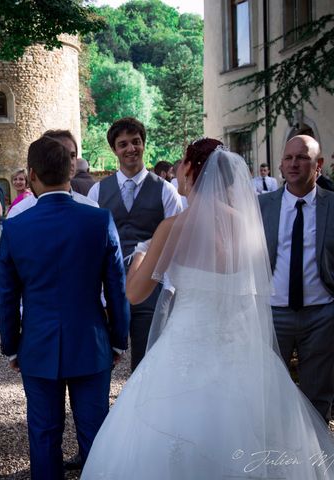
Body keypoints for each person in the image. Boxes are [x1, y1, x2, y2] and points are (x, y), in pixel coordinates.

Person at [82, 138, 334, 479]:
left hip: (184, 349)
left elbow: (136, 293)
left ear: (190, 169)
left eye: (183, 164)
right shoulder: (247, 225)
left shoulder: (174, 227)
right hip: (240, 348)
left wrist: (139, 256)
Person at [0, 135, 130, 480]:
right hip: (91, 341)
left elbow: (9, 296)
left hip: (38, 345)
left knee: (43, 435)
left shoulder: (14, 228)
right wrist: (118, 339)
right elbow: (116, 287)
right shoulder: (99, 221)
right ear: (69, 169)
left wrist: (12, 346)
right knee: (96, 434)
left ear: (31, 174)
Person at [87, 117, 182, 370]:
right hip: (111, 287)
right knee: (102, 359)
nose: (131, 149)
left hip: (152, 287)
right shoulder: (97, 192)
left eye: (136, 142)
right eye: (123, 144)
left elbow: (175, 245)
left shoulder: (165, 191)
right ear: (114, 149)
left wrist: (170, 293)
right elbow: (92, 245)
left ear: (143, 144)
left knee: (147, 363)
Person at [259, 134, 334, 422]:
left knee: (318, 395)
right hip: (272, 313)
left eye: (302, 157)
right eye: (288, 157)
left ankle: (316, 463)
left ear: (319, 165)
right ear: (280, 164)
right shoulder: (262, 206)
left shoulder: (331, 205)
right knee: (269, 393)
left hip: (322, 314)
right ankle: (274, 460)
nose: (294, 164)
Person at [7, 130, 98, 219]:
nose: (68, 161)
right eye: (59, 155)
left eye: (72, 155)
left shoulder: (92, 209)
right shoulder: (19, 212)